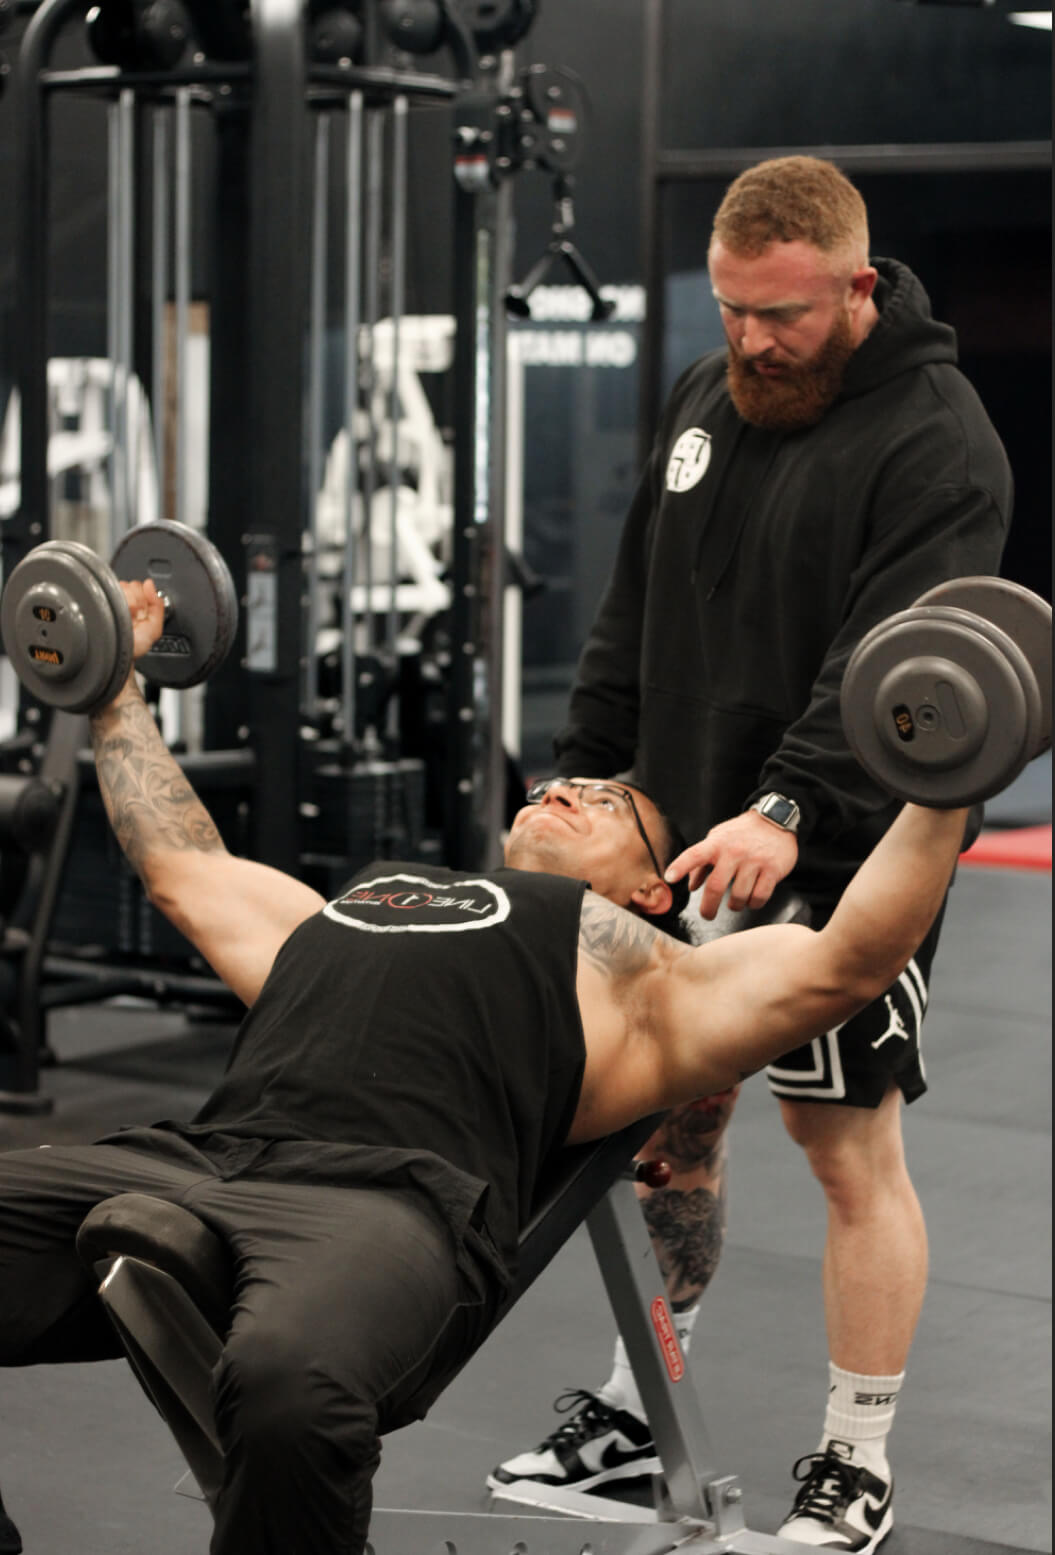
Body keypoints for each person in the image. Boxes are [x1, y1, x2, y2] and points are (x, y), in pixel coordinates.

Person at [0, 579, 975, 1555]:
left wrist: (946, 779)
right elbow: (184, 866)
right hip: (197, 1154)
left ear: (650, 885)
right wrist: (114, 690)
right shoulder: (371, 897)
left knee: (288, 1389)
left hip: (381, 1202)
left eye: (604, 803)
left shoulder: (646, 977)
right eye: (566, 783)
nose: (564, 787)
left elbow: (847, 958)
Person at [490, 155, 1011, 1552]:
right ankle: (632, 1406)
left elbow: (887, 665)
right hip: (680, 814)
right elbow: (634, 599)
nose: (748, 341)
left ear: (854, 285)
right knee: (663, 1129)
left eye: (777, 316)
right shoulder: (705, 399)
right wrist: (592, 756)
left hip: (839, 846)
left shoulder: (936, 440)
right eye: (728, 310)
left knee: (839, 1144)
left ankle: (854, 1457)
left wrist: (783, 809)